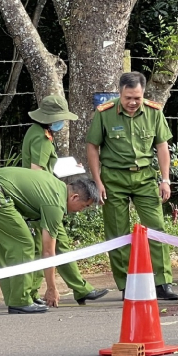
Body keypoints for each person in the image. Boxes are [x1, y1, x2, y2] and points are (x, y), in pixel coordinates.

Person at [86, 71, 178, 300]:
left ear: (143, 93)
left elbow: (162, 146)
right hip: (113, 179)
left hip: (144, 178)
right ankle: (127, 285)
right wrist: (98, 181)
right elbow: (92, 147)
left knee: (156, 228)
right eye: (128, 98)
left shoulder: (154, 112)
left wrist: (165, 179)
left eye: (137, 97)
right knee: (118, 233)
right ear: (120, 93)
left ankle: (162, 282)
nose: (133, 102)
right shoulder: (105, 113)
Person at [0, 168, 99, 314]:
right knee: (24, 244)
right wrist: (51, 288)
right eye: (84, 206)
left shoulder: (55, 185)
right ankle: (20, 301)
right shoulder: (55, 203)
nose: (81, 211)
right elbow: (48, 252)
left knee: (1, 247)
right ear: (74, 197)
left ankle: (17, 297)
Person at [21, 95, 108, 305]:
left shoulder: (37, 132)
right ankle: (61, 290)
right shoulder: (42, 138)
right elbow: (37, 171)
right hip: (45, 199)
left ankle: (73, 289)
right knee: (50, 247)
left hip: (41, 198)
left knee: (52, 246)